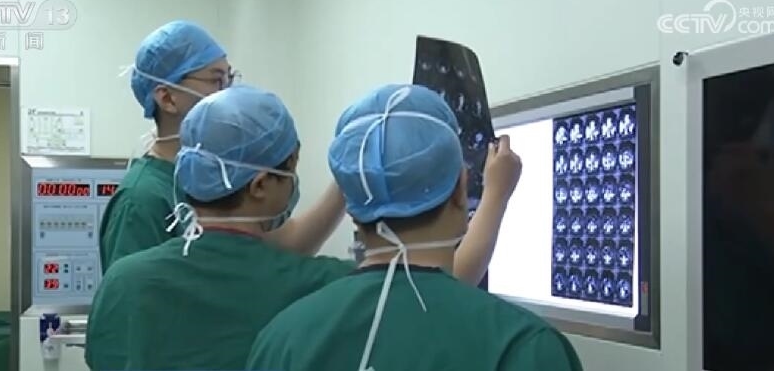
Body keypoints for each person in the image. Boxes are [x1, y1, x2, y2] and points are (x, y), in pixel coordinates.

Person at [86, 84, 519, 370]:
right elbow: (443, 283)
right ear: (260, 185)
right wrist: (497, 194)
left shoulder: (126, 281)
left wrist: (359, 177)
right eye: (291, 164)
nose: (295, 176)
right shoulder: (313, 287)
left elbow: (272, 249)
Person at [247, 84, 583, 371]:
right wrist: (497, 196)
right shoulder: (524, 347)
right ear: (460, 190)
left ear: (351, 204)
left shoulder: (282, 339)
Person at [87, 22, 348, 370]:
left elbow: (270, 256)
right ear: (167, 97)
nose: (229, 92)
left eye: (231, 78)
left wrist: (345, 184)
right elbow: (138, 316)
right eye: (216, 80)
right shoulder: (141, 200)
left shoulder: (227, 195)